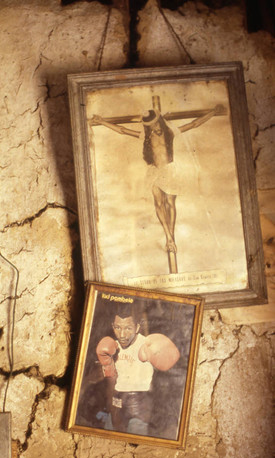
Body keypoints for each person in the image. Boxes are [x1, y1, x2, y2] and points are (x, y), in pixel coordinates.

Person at [90, 100, 225, 273]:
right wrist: (101, 121)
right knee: (158, 203)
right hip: (153, 171)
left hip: (169, 170)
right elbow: (122, 131)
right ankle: (169, 238)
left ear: (159, 120)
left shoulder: (170, 131)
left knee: (170, 203)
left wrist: (213, 112)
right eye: (150, 125)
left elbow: (194, 124)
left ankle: (171, 237)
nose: (153, 127)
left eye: (154, 123)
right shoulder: (145, 136)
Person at [96, 304, 180, 436]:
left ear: (137, 327)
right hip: (117, 398)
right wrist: (107, 366)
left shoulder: (147, 344)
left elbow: (172, 360)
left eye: (128, 328)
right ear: (113, 326)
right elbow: (105, 379)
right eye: (118, 327)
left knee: (136, 437)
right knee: (111, 433)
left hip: (140, 401)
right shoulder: (112, 345)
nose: (122, 334)